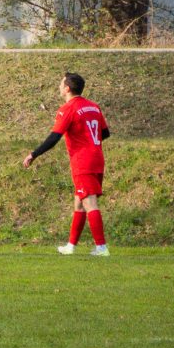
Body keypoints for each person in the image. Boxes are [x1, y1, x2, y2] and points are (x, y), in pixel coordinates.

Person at [25, 73, 110, 257]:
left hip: (83, 161)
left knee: (90, 203)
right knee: (79, 204)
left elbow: (54, 137)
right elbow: (105, 133)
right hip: (97, 158)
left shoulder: (68, 109)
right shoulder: (93, 107)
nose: (59, 86)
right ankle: (71, 246)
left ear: (67, 89)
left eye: (61, 84)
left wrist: (34, 154)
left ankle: (102, 248)